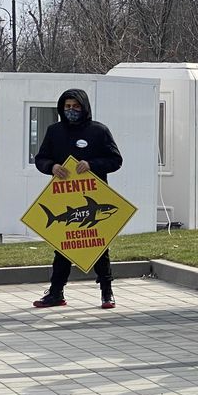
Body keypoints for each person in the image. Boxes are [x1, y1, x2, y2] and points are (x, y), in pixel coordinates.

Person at [32, 89, 123, 310]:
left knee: (99, 246)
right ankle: (56, 293)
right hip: (65, 198)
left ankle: (107, 292)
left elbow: (115, 160)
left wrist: (92, 165)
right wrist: (52, 167)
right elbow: (41, 158)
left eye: (75, 106)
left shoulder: (99, 131)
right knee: (62, 246)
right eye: (67, 107)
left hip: (94, 198)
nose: (71, 110)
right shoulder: (54, 131)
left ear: (84, 107)